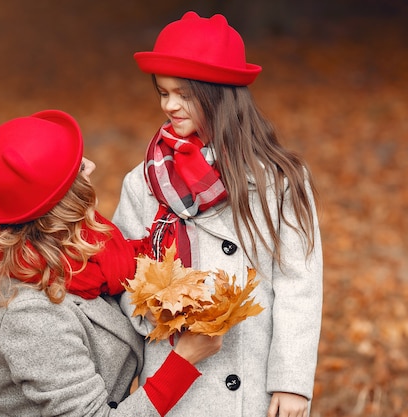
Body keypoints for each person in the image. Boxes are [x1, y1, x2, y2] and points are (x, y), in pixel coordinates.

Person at [112, 11, 323, 417]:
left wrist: (292, 382)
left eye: (183, 94)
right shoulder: (143, 182)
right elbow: (124, 275)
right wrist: (163, 310)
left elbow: (299, 284)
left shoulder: (280, 179)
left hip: (253, 382)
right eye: (162, 92)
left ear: (219, 93)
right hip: (174, 377)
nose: (169, 105)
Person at [0, 109, 223, 416]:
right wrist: (183, 362)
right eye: (78, 169)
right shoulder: (32, 316)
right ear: (65, 203)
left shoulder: (75, 257)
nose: (92, 166)